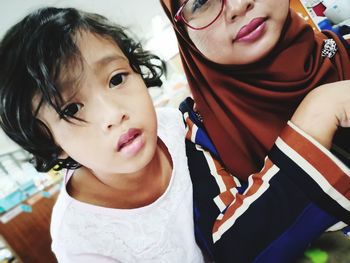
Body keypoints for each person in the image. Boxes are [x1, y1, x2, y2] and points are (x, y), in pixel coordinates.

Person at [0, 6, 349, 263]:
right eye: (71, 109)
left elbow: (241, 219)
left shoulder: (180, 127)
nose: (113, 114)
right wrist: (318, 116)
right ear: (51, 144)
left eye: (117, 78)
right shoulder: (81, 241)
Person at [160, 0, 350, 180]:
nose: (239, 6)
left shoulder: (344, 51)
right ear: (182, 32)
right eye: (201, 1)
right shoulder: (193, 147)